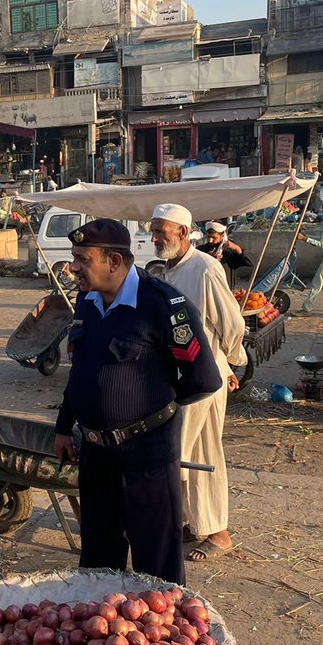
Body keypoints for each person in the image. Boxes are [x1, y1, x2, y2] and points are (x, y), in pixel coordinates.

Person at [53, 218, 222, 585]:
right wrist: (64, 426)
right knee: (98, 563)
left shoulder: (162, 305)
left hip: (147, 456)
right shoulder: (87, 300)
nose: (74, 267)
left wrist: (150, 411)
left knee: (156, 567)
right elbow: (80, 370)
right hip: (96, 457)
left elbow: (205, 379)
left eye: (83, 258)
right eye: (74, 257)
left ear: (114, 261)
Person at [153, 204, 247, 564]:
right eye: (153, 230)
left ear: (181, 232)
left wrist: (230, 362)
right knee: (196, 454)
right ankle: (203, 525)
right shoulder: (167, 272)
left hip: (204, 377)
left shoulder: (205, 268)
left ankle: (207, 529)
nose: (155, 237)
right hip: (181, 379)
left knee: (181, 453)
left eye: (161, 231)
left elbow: (232, 324)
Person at [201, 221, 251, 287]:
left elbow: (247, 263)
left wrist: (237, 249)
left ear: (222, 236)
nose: (210, 240)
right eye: (208, 237)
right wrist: (207, 257)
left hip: (225, 286)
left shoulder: (229, 249)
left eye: (213, 237)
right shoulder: (202, 249)